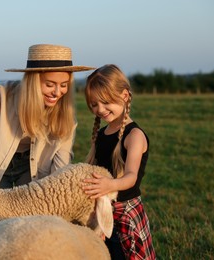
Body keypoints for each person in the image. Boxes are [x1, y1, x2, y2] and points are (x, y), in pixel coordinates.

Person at [0, 44, 95, 188]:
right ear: (33, 81)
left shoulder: (65, 115)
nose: (57, 92)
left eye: (64, 85)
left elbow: (61, 161)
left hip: (35, 168)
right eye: (49, 84)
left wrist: (58, 188)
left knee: (30, 209)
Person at [81, 64, 156, 259]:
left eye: (106, 102)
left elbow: (131, 176)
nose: (100, 109)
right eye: (94, 104)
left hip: (126, 214)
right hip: (103, 211)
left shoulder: (135, 135)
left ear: (124, 96)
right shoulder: (102, 134)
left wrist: (109, 185)